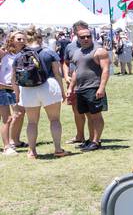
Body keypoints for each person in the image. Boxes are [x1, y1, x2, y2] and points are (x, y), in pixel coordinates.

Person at [14, 27, 67, 158]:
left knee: (31, 122)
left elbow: (14, 78)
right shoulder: (49, 52)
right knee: (54, 120)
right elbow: (57, 74)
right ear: (40, 38)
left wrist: (17, 95)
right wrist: (62, 91)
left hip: (27, 89)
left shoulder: (19, 55)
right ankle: (58, 149)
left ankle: (32, 151)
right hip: (48, 86)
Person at [63, 22, 110, 150]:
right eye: (82, 37)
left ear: (92, 36)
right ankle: (90, 139)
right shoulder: (77, 52)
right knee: (88, 115)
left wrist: (101, 88)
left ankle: (96, 141)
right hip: (80, 89)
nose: (86, 39)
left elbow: (105, 70)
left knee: (96, 115)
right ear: (77, 38)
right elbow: (76, 72)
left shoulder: (99, 51)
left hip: (93, 87)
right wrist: (70, 88)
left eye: (88, 36)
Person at [0, 32, 21, 155]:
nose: (22, 41)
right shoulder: (3, 53)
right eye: (19, 39)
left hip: (15, 88)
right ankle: (6, 146)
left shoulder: (21, 54)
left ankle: (14, 141)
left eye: (23, 39)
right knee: (6, 119)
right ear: (11, 40)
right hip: (4, 89)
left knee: (18, 114)